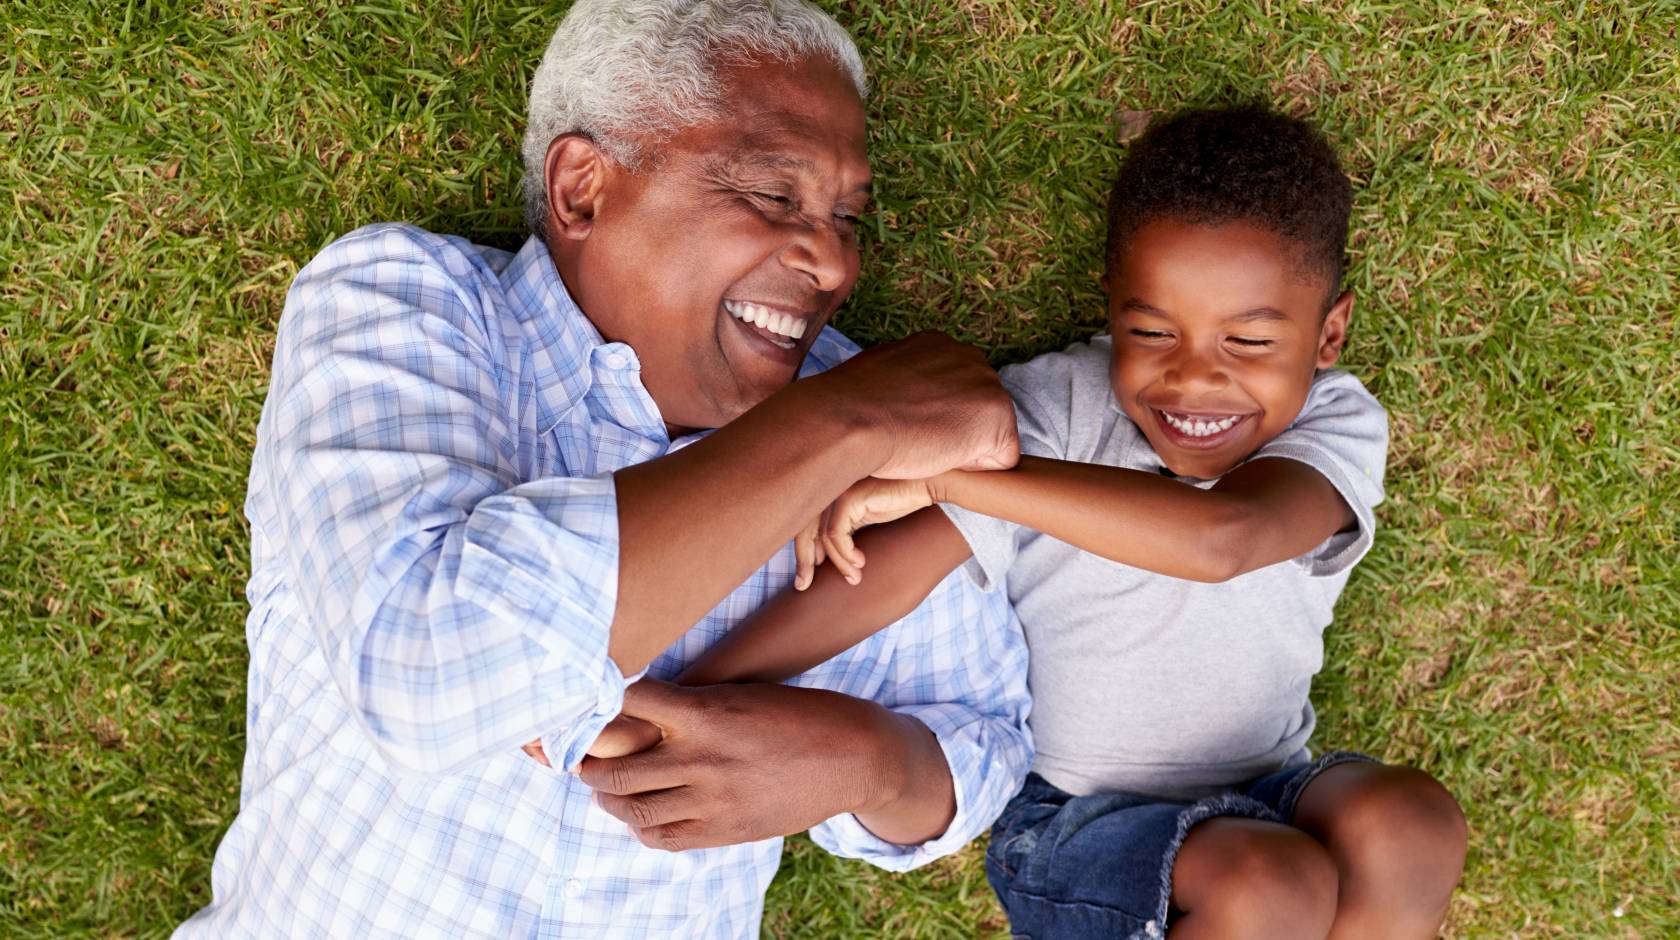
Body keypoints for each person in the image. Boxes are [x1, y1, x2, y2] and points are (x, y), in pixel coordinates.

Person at [176, 2, 1034, 937]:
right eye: (772, 196)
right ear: (582, 188)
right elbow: (429, 676)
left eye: (847, 218)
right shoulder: (404, 306)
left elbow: (981, 739)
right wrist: (842, 425)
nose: (830, 260)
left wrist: (865, 761)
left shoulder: (871, 431)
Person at [612, 106, 1470, 939]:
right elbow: (889, 578)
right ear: (1111, 306)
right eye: (1151, 330)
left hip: (1277, 783)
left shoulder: (1335, 422)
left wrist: (957, 476)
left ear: (1329, 335)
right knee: (1270, 886)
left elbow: (1227, 540)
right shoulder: (1055, 406)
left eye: (1248, 343)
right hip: (1077, 823)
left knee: (1412, 824)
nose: (1195, 381)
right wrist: (681, 701)